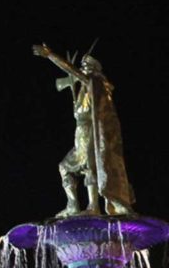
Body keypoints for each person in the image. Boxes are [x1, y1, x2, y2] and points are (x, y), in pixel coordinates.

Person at [32, 43, 135, 216]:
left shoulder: (95, 82)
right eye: (83, 66)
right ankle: (72, 205)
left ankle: (93, 206)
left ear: (95, 69)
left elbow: (73, 72)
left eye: (87, 66)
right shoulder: (86, 90)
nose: (83, 69)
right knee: (64, 167)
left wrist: (50, 55)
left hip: (90, 131)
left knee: (90, 166)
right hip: (80, 133)